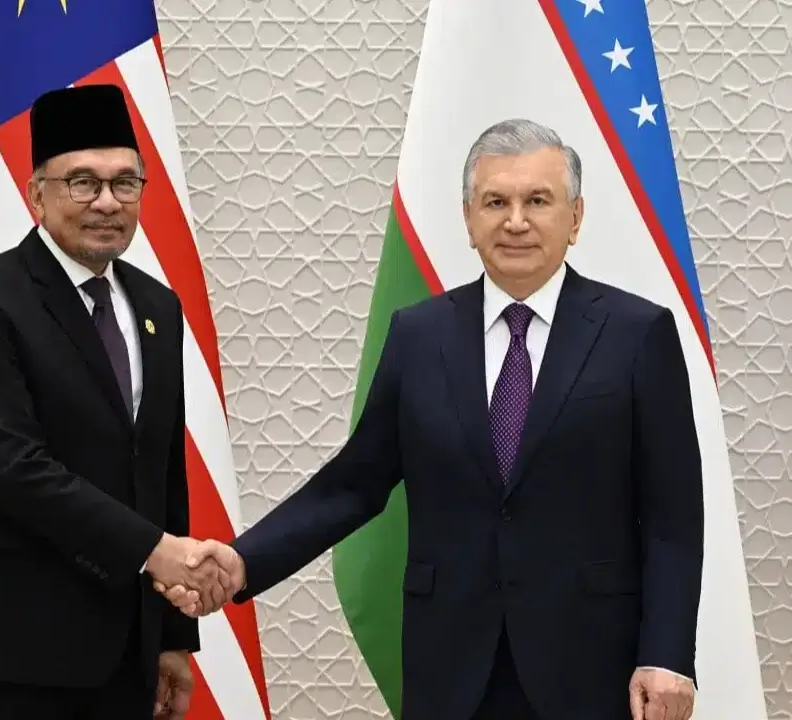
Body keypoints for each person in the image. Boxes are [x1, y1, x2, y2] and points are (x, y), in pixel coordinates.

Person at [159, 118, 704, 720]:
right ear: (468, 219)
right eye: (495, 202)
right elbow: (354, 484)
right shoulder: (419, 335)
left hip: (592, 667)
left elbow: (672, 519)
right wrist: (244, 561)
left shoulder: (638, 334)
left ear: (574, 218)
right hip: (450, 666)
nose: (515, 221)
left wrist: (668, 655)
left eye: (537, 201)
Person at [0, 84, 228, 720]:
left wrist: (172, 638)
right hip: (14, 651)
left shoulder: (157, 305)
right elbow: (12, 466)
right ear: (38, 195)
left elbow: (161, 471)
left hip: (127, 653)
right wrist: (154, 550)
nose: (107, 202)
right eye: (83, 183)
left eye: (125, 183)